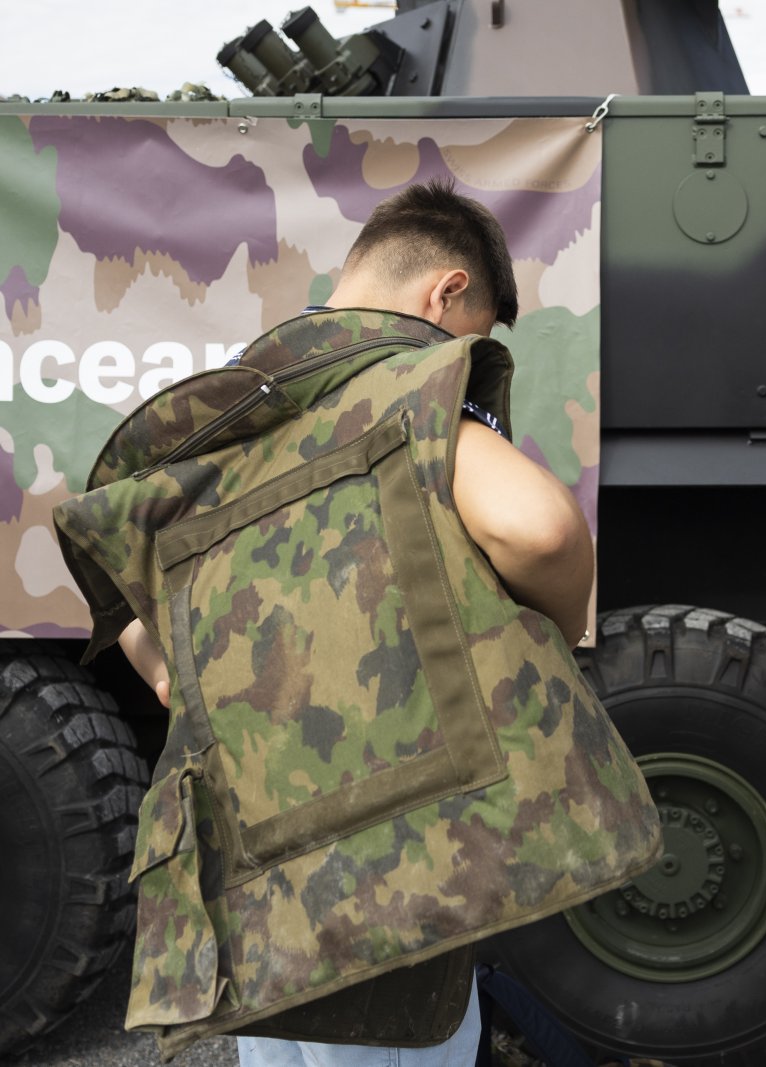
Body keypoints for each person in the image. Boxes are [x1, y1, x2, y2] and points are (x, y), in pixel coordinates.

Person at [114, 179, 594, 1067]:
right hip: (391, 874)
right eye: (472, 338)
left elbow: (137, 621)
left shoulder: (226, 409)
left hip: (259, 894)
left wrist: (179, 674)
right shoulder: (401, 386)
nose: (461, 356)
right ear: (446, 293)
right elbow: (541, 527)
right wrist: (550, 642)